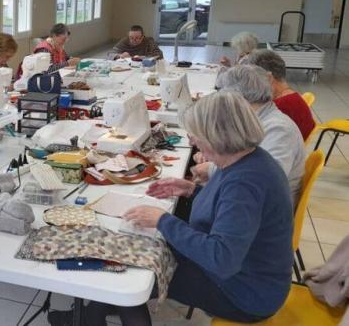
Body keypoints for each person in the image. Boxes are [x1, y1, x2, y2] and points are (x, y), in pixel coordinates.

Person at [49, 92, 294, 326]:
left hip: (243, 293)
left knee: (131, 275)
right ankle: (92, 316)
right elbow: (228, 213)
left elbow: (221, 259)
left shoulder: (244, 183)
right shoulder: (246, 159)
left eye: (197, 135)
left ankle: (94, 315)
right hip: (247, 274)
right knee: (135, 257)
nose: (192, 141)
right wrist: (190, 190)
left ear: (218, 136)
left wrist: (163, 220)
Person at [193, 65, 305, 206]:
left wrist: (211, 168)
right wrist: (213, 155)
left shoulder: (279, 129)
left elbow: (263, 180)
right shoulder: (256, 119)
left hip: (262, 211)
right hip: (246, 200)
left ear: (236, 99)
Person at [247, 49, 316, 141]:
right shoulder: (292, 97)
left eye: (254, 79)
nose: (252, 85)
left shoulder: (280, 107)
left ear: (268, 78)